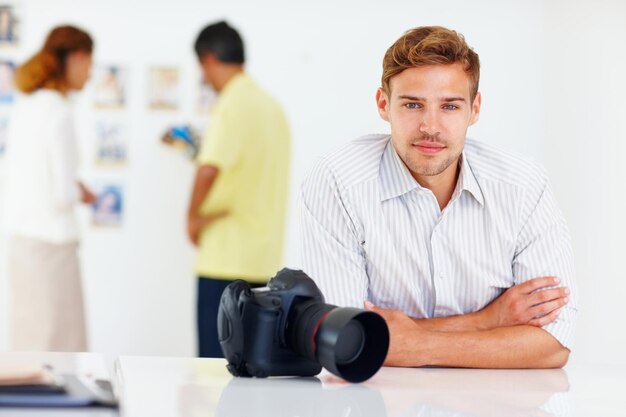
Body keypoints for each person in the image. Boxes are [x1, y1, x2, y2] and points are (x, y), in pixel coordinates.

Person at [299, 26, 577, 368]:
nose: (430, 126)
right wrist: (487, 320)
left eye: (449, 106)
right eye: (413, 104)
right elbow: (343, 343)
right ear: (383, 104)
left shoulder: (522, 186)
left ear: (474, 109)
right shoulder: (339, 181)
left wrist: (414, 343)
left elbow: (554, 344)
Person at [187, 21, 291, 358]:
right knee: (250, 370)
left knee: (212, 372)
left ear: (209, 59)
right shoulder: (273, 108)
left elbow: (208, 167)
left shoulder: (232, 104)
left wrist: (191, 217)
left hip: (224, 261)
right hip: (262, 263)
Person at [3, 25, 96, 351]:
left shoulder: (27, 106)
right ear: (76, 57)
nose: (90, 73)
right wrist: (82, 193)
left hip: (22, 243)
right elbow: (62, 194)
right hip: (53, 247)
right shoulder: (59, 112)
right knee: (62, 351)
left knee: (29, 345)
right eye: (89, 63)